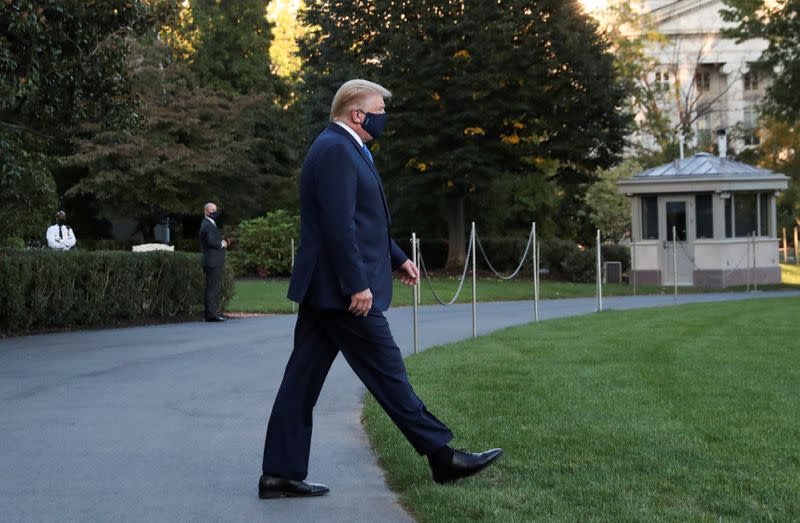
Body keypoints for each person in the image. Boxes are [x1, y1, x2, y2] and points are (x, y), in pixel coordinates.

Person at [258, 79, 502, 500]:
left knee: (300, 382)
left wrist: (396, 257)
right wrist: (357, 284)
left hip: (324, 291)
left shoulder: (347, 147)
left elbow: (363, 220)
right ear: (357, 114)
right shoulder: (336, 149)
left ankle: (279, 474)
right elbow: (339, 226)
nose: (383, 117)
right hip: (341, 292)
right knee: (389, 373)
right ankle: (443, 457)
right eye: (379, 110)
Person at [199, 202, 227, 322]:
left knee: (213, 287)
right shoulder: (207, 224)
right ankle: (211, 315)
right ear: (206, 211)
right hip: (212, 261)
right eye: (212, 210)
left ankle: (212, 313)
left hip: (212, 261)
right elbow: (211, 241)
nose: (214, 212)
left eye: (215, 209)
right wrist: (222, 243)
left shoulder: (209, 223)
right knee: (212, 288)